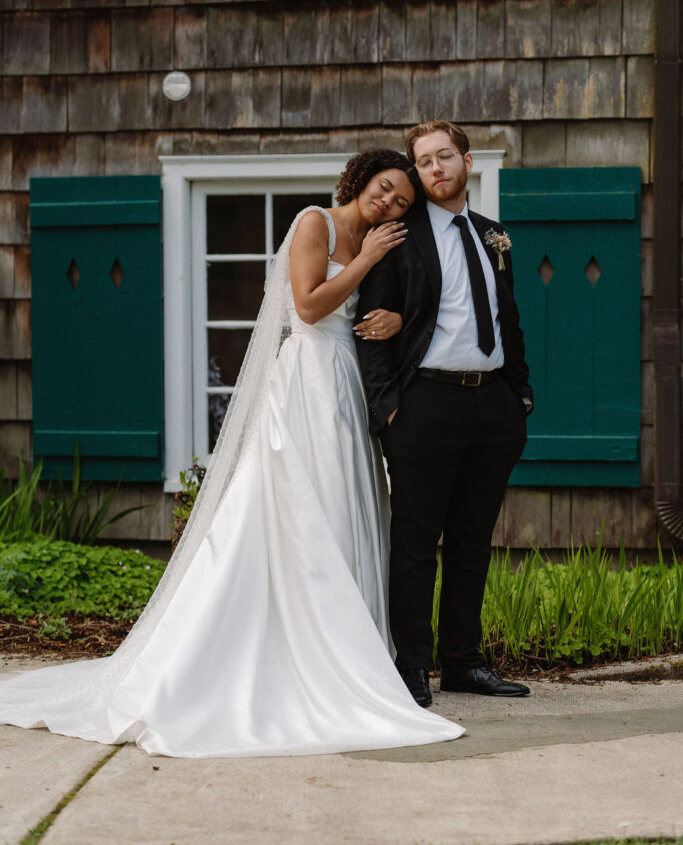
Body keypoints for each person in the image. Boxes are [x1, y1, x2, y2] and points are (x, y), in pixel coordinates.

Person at [0, 148, 464, 758]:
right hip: (307, 380)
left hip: (347, 382)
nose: (390, 204)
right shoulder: (314, 224)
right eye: (384, 189)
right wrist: (369, 259)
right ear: (359, 181)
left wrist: (397, 317)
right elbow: (308, 305)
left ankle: (351, 649)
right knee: (308, 504)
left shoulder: (379, 243)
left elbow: (384, 308)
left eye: (403, 201)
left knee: (350, 506)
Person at [355, 122, 533, 707]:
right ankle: (411, 668)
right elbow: (372, 329)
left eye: (444, 157)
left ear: (466, 161)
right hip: (424, 404)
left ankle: (463, 662)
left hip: (494, 408)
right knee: (414, 541)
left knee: (471, 541)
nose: (434, 168)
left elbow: (507, 317)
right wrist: (389, 411)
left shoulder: (491, 234)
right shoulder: (397, 236)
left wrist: (520, 395)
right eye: (423, 161)